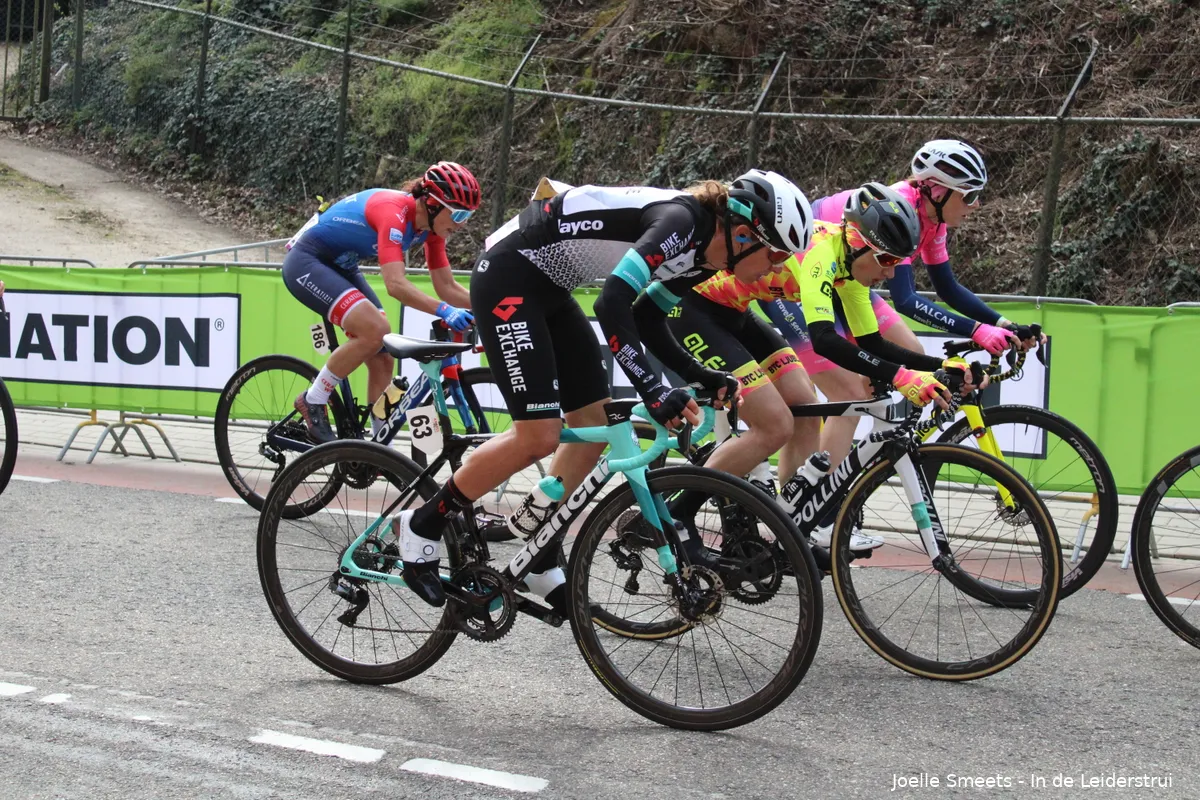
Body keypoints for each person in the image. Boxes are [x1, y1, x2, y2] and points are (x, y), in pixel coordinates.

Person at [392, 170, 815, 610]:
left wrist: (700, 375)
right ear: (745, 234)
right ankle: (423, 524)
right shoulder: (682, 224)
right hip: (508, 278)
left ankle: (540, 558)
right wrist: (652, 389)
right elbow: (612, 301)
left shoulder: (706, 256)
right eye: (777, 253)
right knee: (538, 435)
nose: (778, 267)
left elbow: (648, 317)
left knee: (593, 430)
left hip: (550, 290)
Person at [669, 183, 983, 550]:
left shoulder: (852, 268)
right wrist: (902, 377)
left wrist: (937, 366)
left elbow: (872, 343)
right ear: (859, 241)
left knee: (805, 408)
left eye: (897, 263)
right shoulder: (822, 254)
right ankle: (679, 514)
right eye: (886, 260)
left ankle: (789, 524)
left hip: (736, 312)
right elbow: (824, 340)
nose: (889, 273)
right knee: (775, 425)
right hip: (693, 311)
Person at [761, 141, 1027, 490]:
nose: (975, 205)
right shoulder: (899, 212)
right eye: (970, 194)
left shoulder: (934, 220)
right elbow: (906, 300)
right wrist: (975, 332)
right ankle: (817, 502)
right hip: (800, 276)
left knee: (909, 354)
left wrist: (1000, 324)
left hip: (849, 278)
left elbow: (946, 288)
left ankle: (856, 470)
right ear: (936, 189)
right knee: (850, 391)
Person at [282, 161, 481, 443]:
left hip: (340, 266)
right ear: (433, 203)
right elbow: (395, 285)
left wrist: (490, 309)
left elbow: (446, 286)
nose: (462, 224)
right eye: (459, 214)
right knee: (375, 329)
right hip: (306, 262)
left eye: (468, 215)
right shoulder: (395, 213)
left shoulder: (432, 230)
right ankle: (313, 399)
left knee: (383, 353)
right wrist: (445, 311)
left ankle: (377, 448)